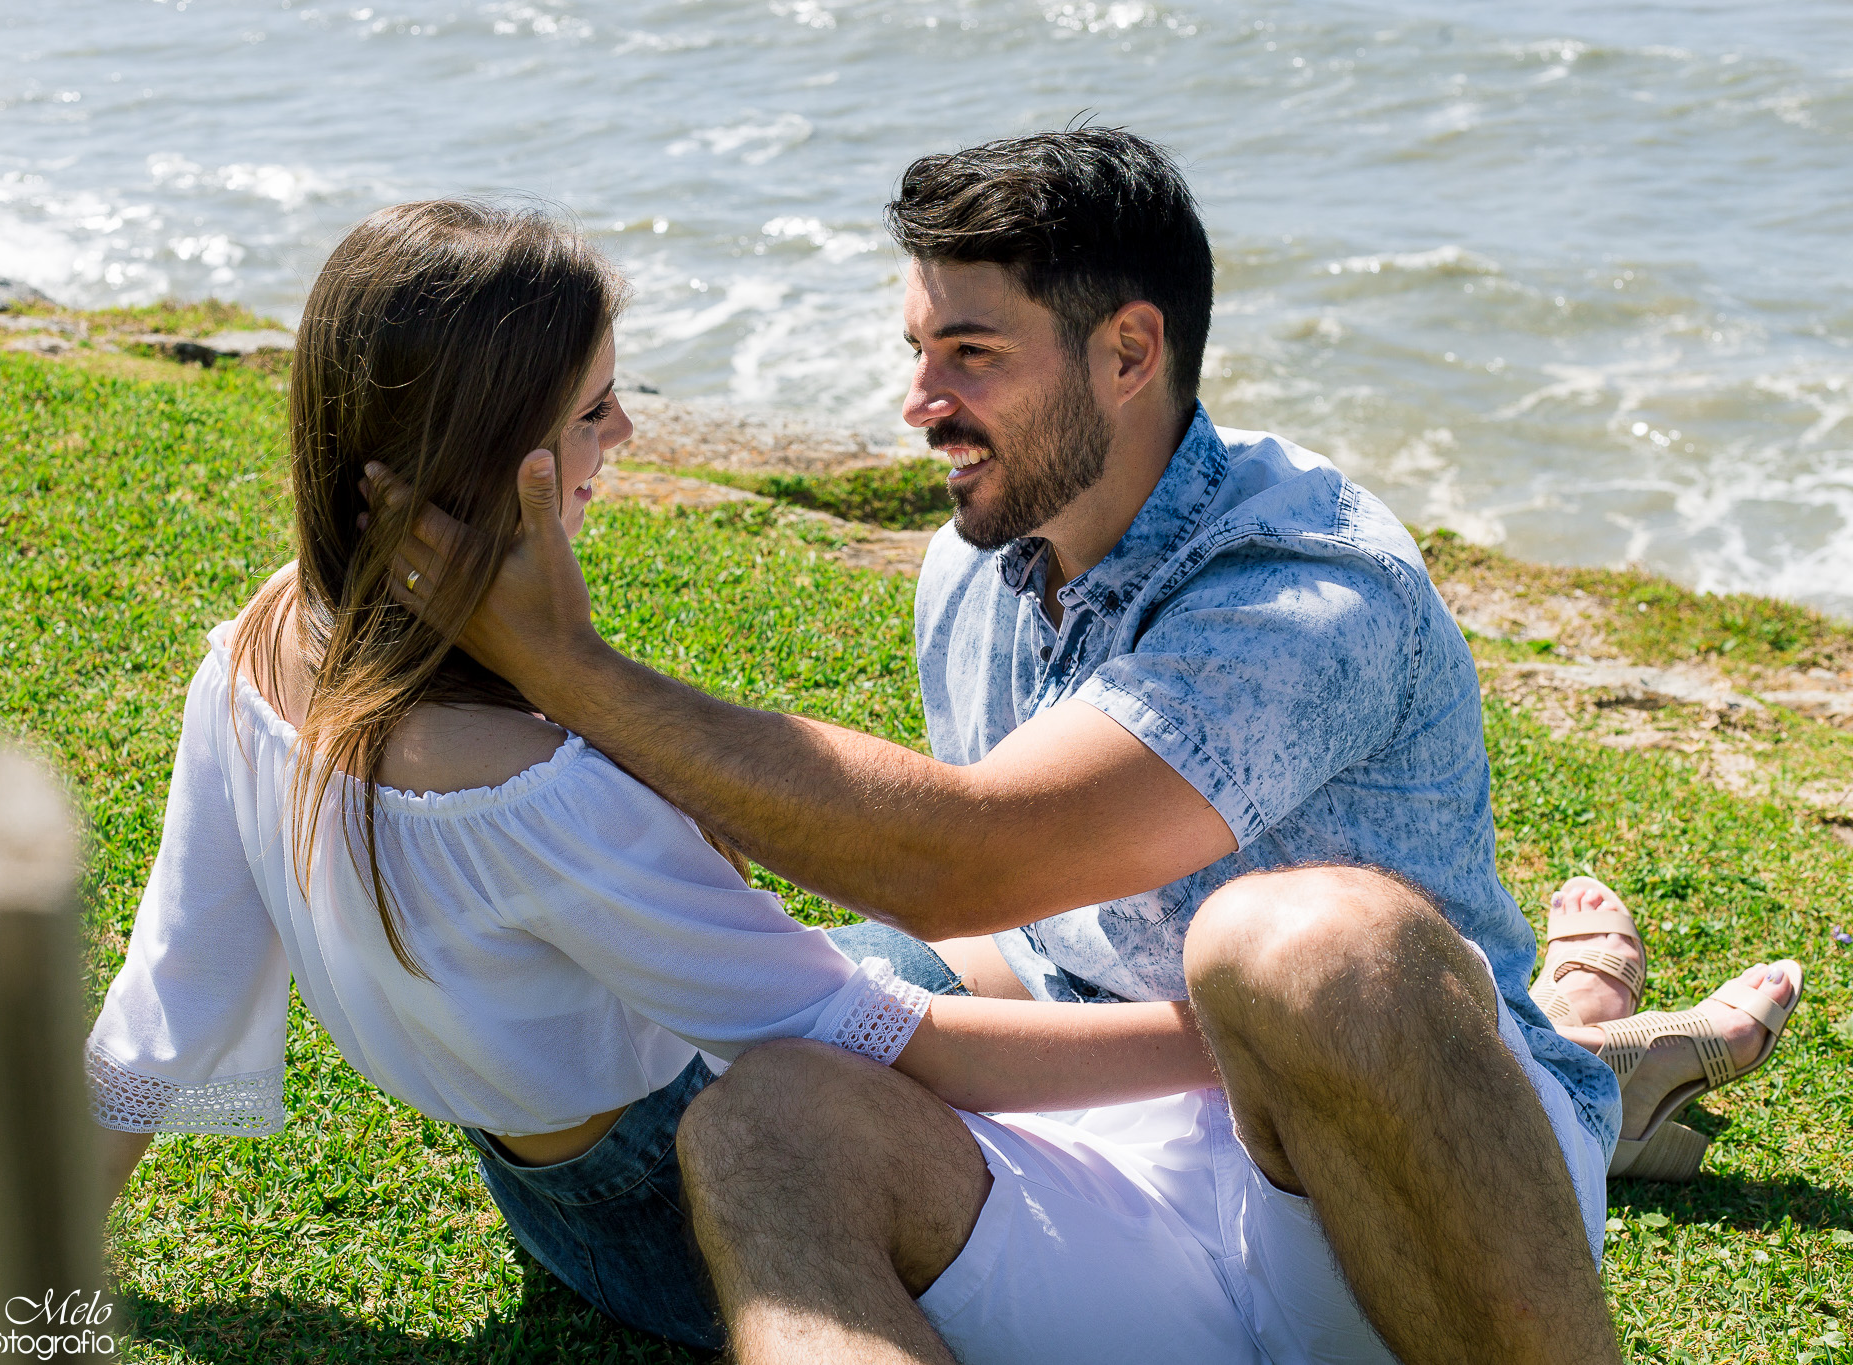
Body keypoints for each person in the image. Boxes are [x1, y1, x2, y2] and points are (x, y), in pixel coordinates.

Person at [368, 130, 1804, 1363]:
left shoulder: (1308, 591)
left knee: (1301, 944)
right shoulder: (974, 569)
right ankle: (1592, 1034)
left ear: (1130, 351)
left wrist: (573, 671)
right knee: (767, 1114)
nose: (921, 401)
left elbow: (968, 857)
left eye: (970, 354)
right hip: (1130, 1176)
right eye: (918, 350)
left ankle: (1570, 1057)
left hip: (1365, 1179)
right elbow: (1033, 940)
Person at [83, 197, 1243, 1354]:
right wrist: (1227, 1040)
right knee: (1071, 1093)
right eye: (593, 410)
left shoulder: (261, 644)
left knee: (955, 953)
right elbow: (895, 1045)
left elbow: (174, 981)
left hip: (547, 1198)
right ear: (492, 460)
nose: (627, 431)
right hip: (683, 1215)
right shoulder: (533, 795)